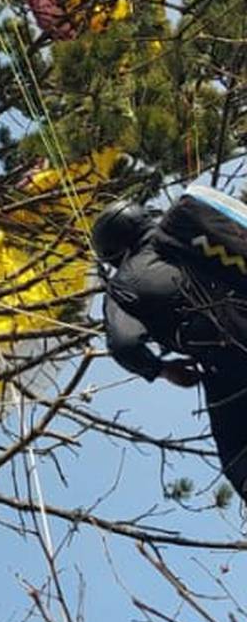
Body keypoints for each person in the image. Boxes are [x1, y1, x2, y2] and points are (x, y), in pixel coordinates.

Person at [92, 198, 247, 502]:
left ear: (112, 253)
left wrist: (161, 369)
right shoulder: (189, 221)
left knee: (238, 454)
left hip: (231, 371)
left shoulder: (123, 287)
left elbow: (124, 344)